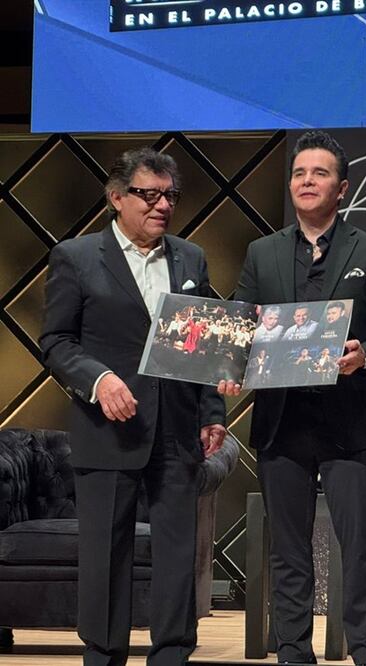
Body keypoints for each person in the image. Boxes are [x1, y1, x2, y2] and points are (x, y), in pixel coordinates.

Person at [219, 130, 366, 666]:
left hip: (351, 423)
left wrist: (364, 353)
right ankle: (293, 653)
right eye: (300, 173)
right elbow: (241, 324)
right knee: (289, 552)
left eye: (319, 173)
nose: (307, 181)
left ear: (341, 188)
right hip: (282, 423)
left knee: (361, 549)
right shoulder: (262, 252)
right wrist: (230, 367)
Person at [39, 147, 227, 666]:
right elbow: (55, 341)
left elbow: (203, 341)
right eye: (149, 194)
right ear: (117, 198)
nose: (162, 204)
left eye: (170, 195)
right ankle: (103, 655)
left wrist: (213, 412)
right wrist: (99, 380)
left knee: (176, 553)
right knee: (105, 554)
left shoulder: (190, 257)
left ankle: (171, 653)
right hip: (109, 427)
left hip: (177, 430)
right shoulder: (76, 257)